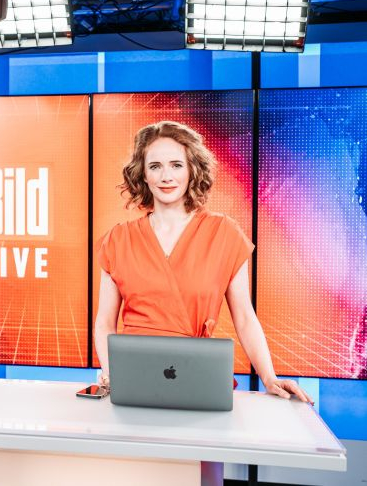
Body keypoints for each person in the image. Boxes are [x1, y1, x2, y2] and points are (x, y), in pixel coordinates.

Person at [94, 120, 312, 403]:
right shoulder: (117, 239)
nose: (166, 176)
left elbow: (245, 317)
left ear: (192, 170)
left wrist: (269, 377)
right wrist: (112, 373)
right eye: (155, 166)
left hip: (196, 374)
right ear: (143, 174)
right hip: (134, 376)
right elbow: (104, 322)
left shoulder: (225, 233)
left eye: (176, 165)